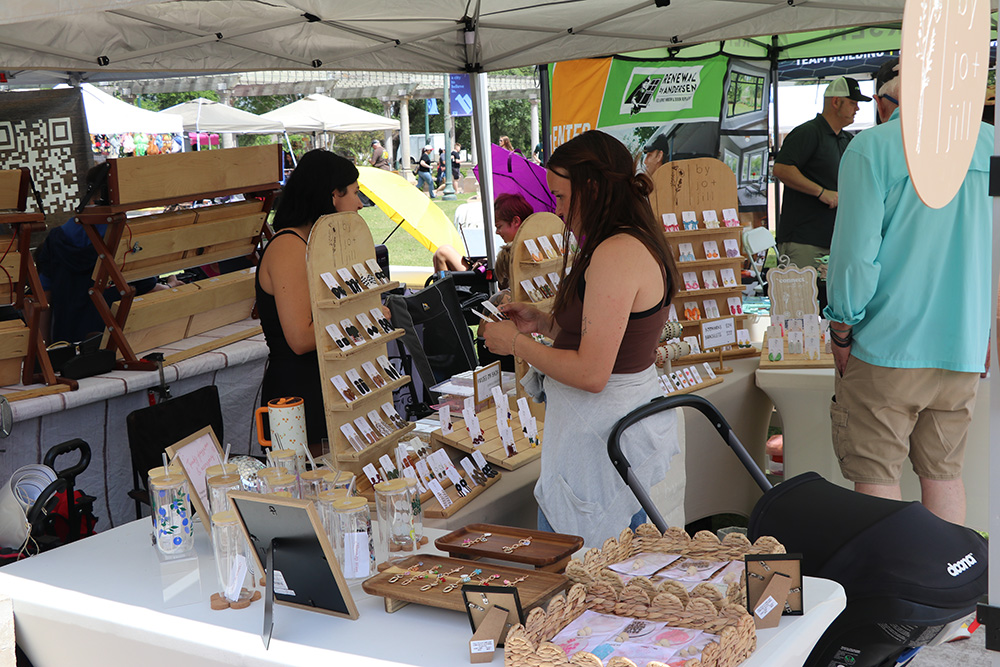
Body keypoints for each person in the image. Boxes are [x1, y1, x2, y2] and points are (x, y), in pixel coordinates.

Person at [482, 130, 679, 547]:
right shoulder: (626, 240)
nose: (557, 209)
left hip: (600, 440)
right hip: (605, 433)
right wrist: (542, 323)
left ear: (591, 189)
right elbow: (605, 333)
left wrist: (515, 344)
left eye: (562, 197)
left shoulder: (617, 251)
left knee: (591, 574)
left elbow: (592, 372)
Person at [823, 60, 993, 525]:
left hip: (887, 344)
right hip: (963, 345)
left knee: (876, 473)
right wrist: (986, 330)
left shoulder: (872, 149)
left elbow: (854, 257)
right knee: (944, 473)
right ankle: (948, 574)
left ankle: (891, 574)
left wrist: (841, 328)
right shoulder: (991, 146)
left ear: (886, 103)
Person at [256, 150, 364, 447]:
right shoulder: (289, 247)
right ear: (333, 195)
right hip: (298, 397)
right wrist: (363, 320)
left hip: (320, 385)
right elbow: (301, 339)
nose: (359, 204)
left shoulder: (311, 244)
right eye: (355, 193)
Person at [773, 76, 870, 307]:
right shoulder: (808, 132)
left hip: (835, 240)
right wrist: (821, 192)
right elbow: (781, 168)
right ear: (836, 102)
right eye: (852, 102)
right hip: (804, 240)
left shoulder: (847, 140)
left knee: (829, 305)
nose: (857, 108)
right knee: (797, 308)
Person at [431, 192, 532, 275]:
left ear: (515, 221)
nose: (497, 232)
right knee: (442, 252)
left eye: (499, 226)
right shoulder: (522, 245)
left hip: (486, 288)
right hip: (484, 279)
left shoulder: (524, 251)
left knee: (442, 253)